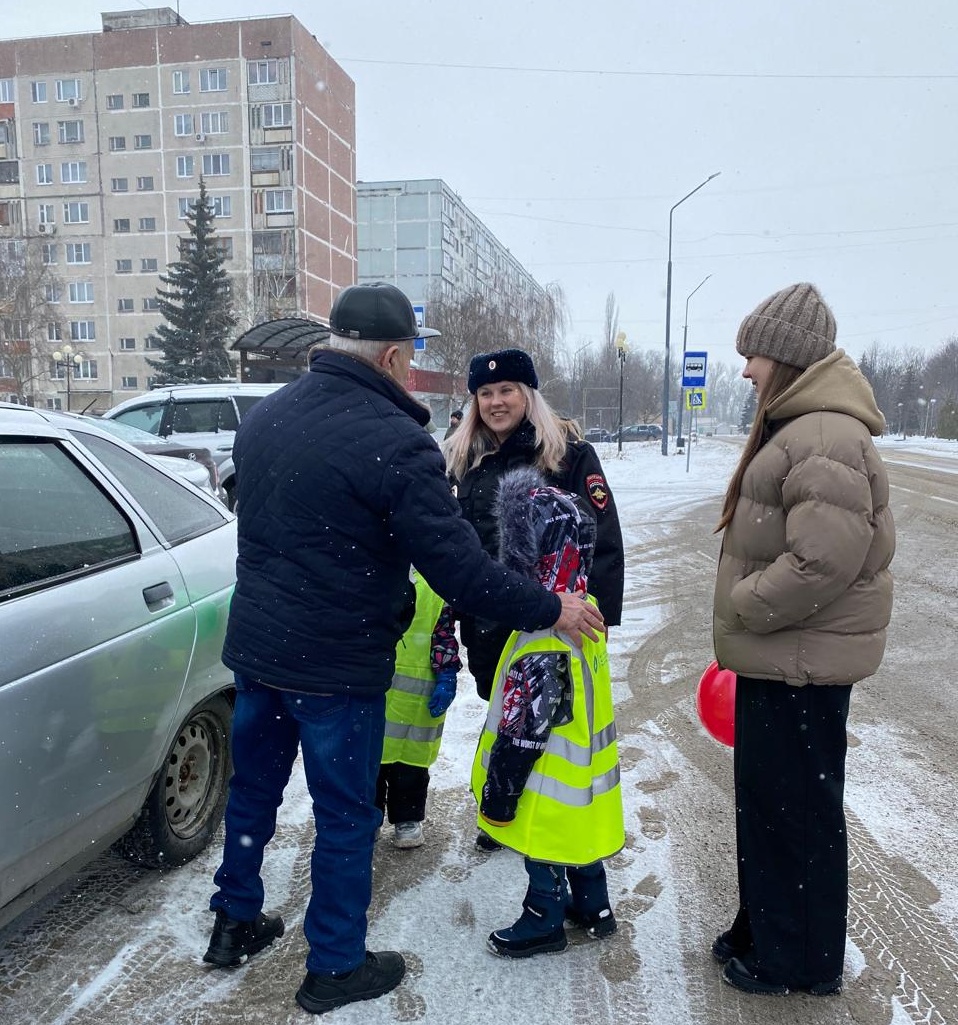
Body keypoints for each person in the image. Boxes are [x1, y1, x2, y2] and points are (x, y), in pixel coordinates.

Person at [202, 283, 604, 1017]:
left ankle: (233, 921)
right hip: (337, 665)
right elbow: (460, 569)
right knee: (348, 815)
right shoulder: (395, 443)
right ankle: (333, 965)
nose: (410, 373)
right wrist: (551, 605)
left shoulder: (263, 419)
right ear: (391, 355)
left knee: (253, 789)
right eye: (410, 359)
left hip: (260, 650)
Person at [711, 282, 895, 996]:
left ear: (785, 356)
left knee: (795, 812)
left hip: (801, 662)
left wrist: (745, 604)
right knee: (769, 801)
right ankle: (767, 925)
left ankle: (801, 960)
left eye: (752, 352)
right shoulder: (803, 423)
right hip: (785, 659)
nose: (746, 368)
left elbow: (823, 559)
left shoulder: (824, 433)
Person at [471, 466, 624, 958]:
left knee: (545, 846)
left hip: (543, 788)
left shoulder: (543, 636)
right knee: (576, 839)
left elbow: (522, 730)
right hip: (584, 786)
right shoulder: (586, 611)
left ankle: (543, 917)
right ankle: (594, 906)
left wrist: (500, 794)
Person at [443, 348, 625, 708]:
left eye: (506, 390)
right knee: (504, 728)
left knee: (546, 735)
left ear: (527, 394)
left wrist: (596, 617)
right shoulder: (463, 460)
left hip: (554, 626)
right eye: (485, 393)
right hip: (488, 627)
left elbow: (604, 542)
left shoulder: (566, 454)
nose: (496, 402)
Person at [377, 568, 460, 849]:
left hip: (420, 689)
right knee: (370, 759)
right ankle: (368, 816)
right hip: (376, 683)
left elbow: (443, 633)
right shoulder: (376, 568)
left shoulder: (436, 580)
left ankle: (407, 819)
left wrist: (447, 672)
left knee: (411, 762)